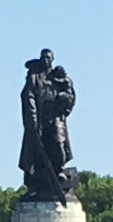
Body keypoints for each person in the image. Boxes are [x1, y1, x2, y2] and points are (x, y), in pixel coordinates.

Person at [18, 49, 75, 200]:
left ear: (53, 59)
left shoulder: (59, 77)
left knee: (58, 145)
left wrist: (64, 99)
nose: (46, 60)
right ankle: (36, 184)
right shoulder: (34, 77)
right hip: (39, 121)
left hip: (55, 118)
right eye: (44, 57)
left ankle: (59, 171)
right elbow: (27, 95)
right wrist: (32, 119)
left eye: (49, 58)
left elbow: (70, 96)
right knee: (36, 151)